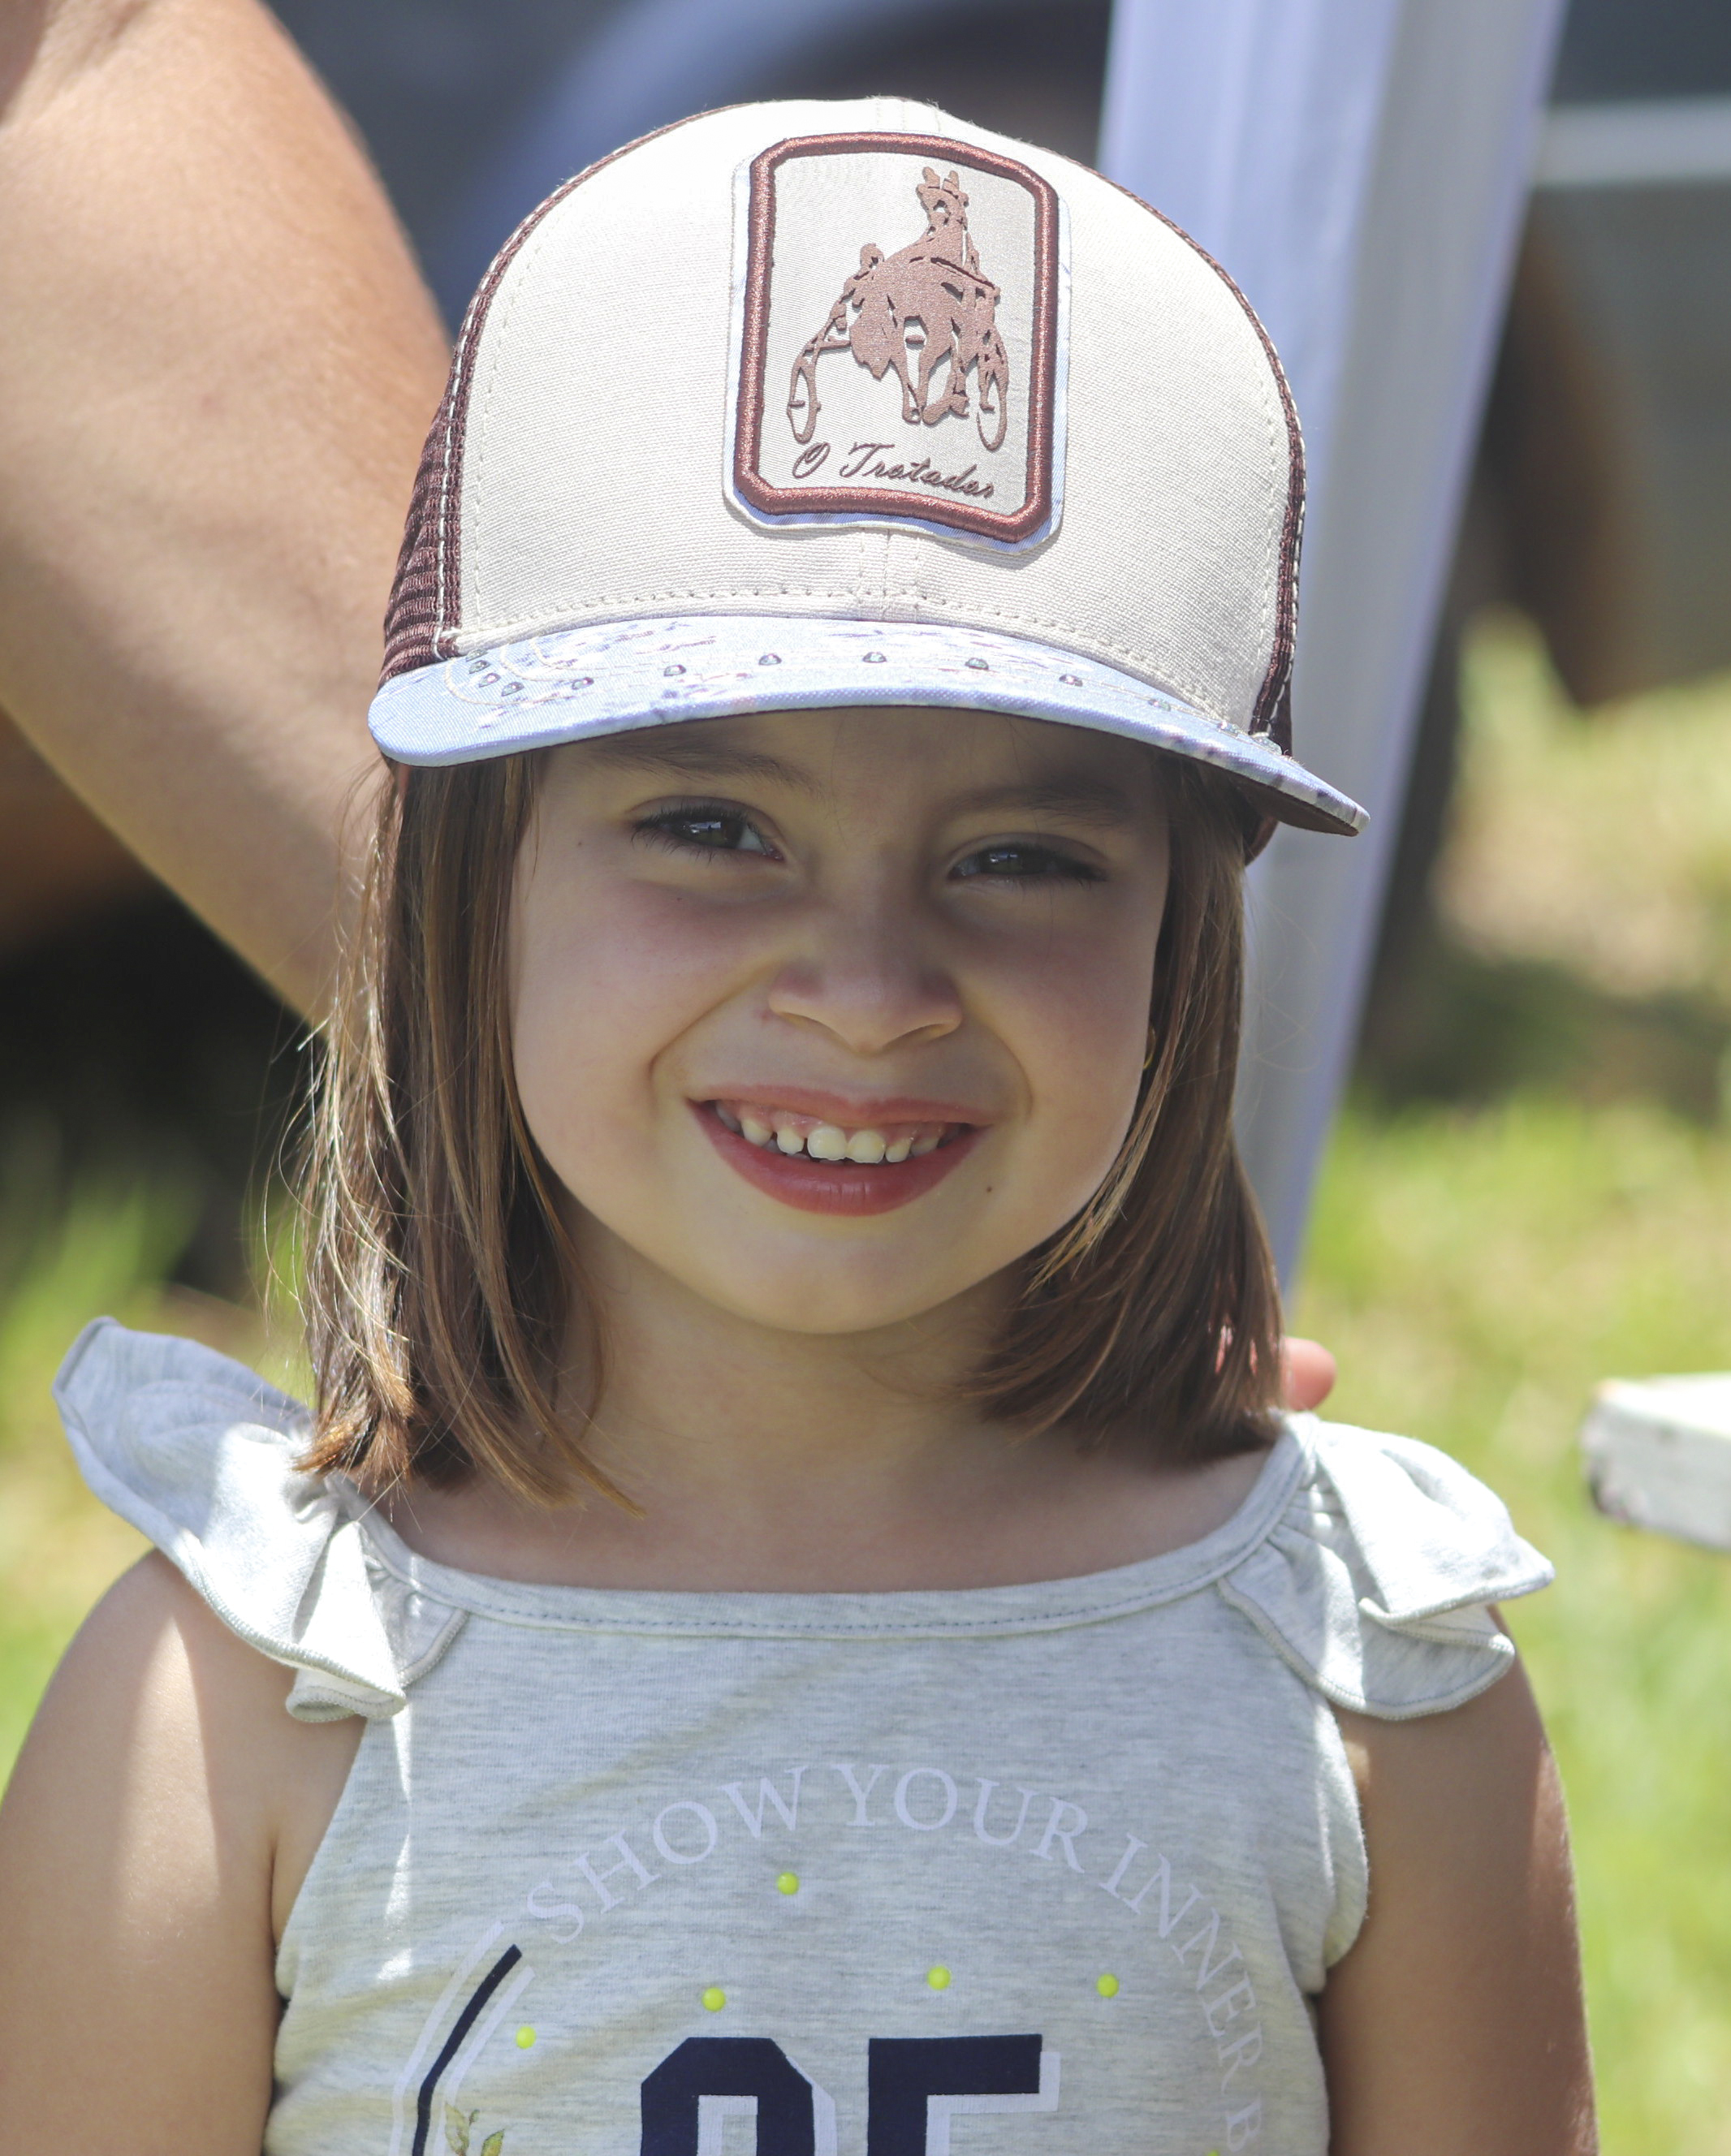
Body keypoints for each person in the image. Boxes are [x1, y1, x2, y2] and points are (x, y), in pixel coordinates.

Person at [0, 91, 1591, 2156]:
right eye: (711, 825)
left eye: (1021, 857)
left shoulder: (1376, 1684)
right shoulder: (231, 1696)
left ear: (1186, 943)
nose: (865, 985)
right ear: (459, 879)